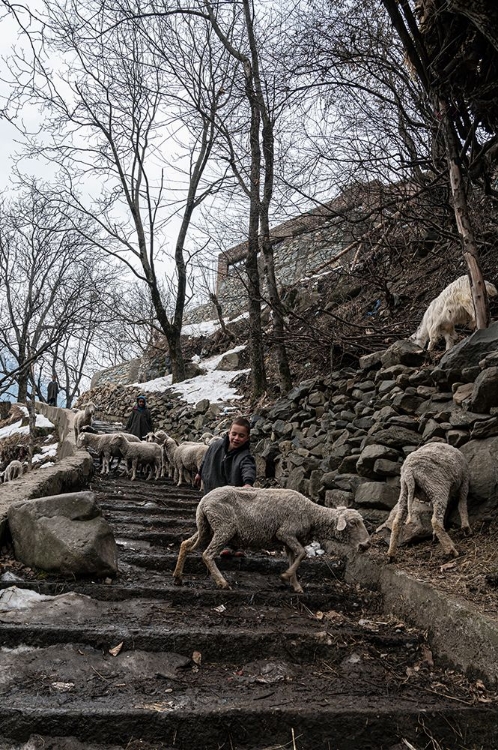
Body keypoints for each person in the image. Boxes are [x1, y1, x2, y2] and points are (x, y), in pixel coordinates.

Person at [194, 416, 256, 558]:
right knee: (216, 518)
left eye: (241, 436)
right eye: (234, 434)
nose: (236, 438)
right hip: (212, 486)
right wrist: (199, 473)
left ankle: (237, 546)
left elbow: (248, 468)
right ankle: (221, 545)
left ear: (247, 438)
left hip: (231, 494)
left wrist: (248, 483)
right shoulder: (216, 446)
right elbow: (205, 459)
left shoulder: (245, 455)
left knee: (235, 520)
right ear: (229, 432)